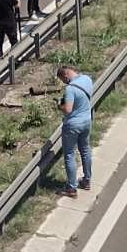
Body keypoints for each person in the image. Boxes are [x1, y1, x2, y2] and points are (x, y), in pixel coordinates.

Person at [57, 63, 95, 197]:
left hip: (72, 125)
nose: (64, 82)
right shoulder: (87, 79)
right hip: (86, 121)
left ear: (66, 75)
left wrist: (59, 106)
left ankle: (71, 188)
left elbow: (68, 109)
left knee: (69, 155)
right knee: (85, 150)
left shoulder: (70, 89)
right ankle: (87, 180)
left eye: (63, 79)